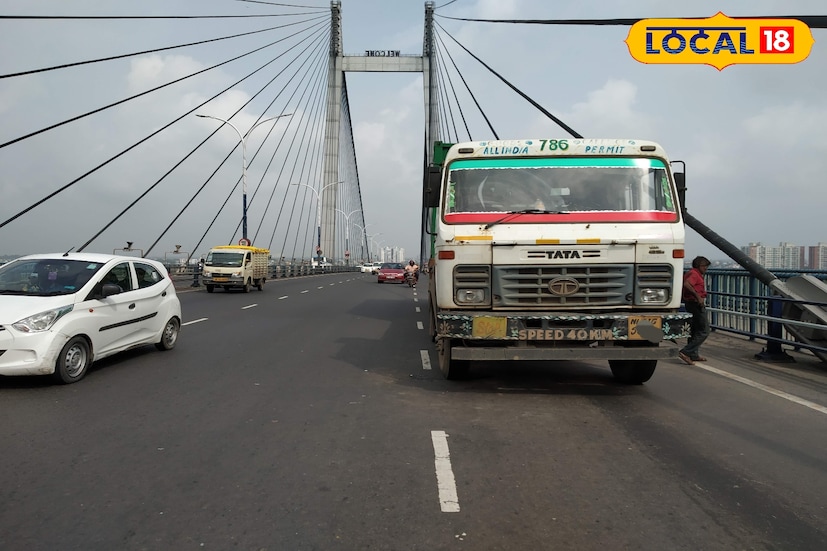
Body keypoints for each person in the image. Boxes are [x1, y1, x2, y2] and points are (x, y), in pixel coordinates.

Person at [679, 256, 711, 365]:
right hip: (695, 303)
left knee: (695, 329)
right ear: (699, 266)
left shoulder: (692, 273)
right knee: (704, 330)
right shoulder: (694, 274)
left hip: (690, 303)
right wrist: (698, 297)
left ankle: (693, 354)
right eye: (704, 266)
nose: (706, 268)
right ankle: (686, 352)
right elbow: (687, 284)